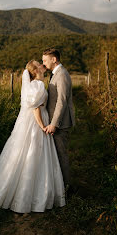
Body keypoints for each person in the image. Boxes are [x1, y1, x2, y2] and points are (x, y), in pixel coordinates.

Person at [0, 60, 65, 213]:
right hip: (36, 124)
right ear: (36, 70)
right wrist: (42, 126)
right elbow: (36, 109)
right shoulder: (37, 85)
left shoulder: (34, 85)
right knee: (34, 154)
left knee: (26, 153)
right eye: (40, 64)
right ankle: (32, 196)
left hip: (28, 123)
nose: (42, 65)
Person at [42, 48, 75, 190]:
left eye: (45, 60)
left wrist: (54, 124)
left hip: (60, 124)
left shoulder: (61, 75)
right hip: (55, 122)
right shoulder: (56, 74)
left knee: (61, 156)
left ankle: (66, 189)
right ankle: (59, 186)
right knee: (56, 156)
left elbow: (61, 101)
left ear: (54, 59)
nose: (43, 63)